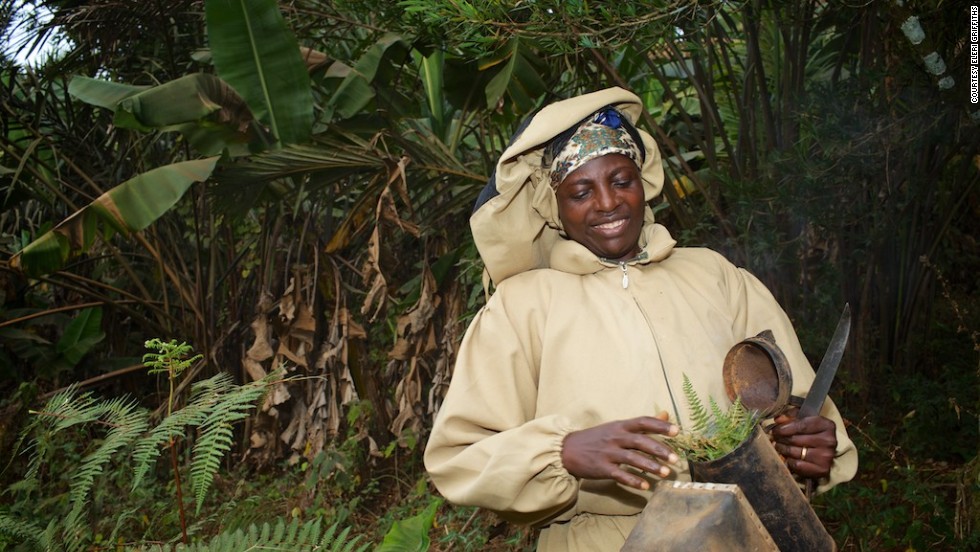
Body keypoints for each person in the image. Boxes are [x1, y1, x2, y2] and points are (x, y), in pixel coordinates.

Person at [423, 87, 857, 551]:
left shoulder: (714, 275)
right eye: (581, 191)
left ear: (642, 183)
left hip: (752, 532)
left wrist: (806, 444)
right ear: (555, 207)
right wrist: (563, 452)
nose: (607, 203)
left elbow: (797, 404)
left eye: (621, 180)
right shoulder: (523, 306)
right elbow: (459, 458)